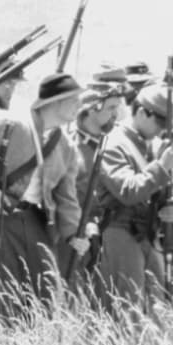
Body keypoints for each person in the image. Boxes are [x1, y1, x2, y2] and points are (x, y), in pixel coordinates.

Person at [0, 73, 87, 307]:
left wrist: (74, 233)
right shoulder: (9, 123)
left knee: (44, 294)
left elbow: (66, 197)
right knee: (3, 293)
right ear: (56, 101)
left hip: (36, 221)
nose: (80, 106)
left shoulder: (65, 145)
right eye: (74, 100)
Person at [94, 84, 173, 311]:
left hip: (149, 233)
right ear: (142, 112)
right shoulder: (113, 143)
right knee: (128, 310)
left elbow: (171, 188)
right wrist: (161, 169)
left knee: (157, 310)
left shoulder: (153, 145)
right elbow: (128, 191)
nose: (162, 129)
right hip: (121, 231)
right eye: (160, 122)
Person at [60, 81, 122, 283]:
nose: (115, 114)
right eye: (111, 108)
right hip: (77, 235)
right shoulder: (70, 147)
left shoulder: (116, 144)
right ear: (93, 108)